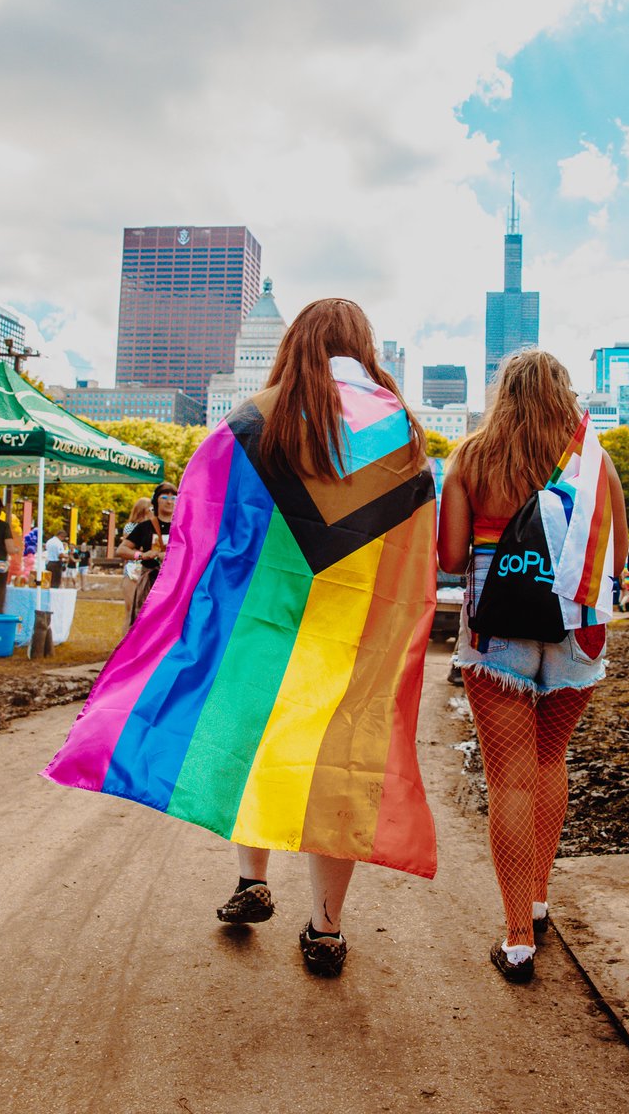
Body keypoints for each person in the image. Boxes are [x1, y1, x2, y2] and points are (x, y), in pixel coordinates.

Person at [45, 298, 438, 978]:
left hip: (263, 627)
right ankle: (326, 928)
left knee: (249, 741)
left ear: (294, 344)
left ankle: (251, 882)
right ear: (362, 346)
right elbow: (416, 550)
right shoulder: (404, 435)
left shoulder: (257, 419)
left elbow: (202, 525)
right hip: (345, 638)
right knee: (334, 767)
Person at [438, 349, 628, 982]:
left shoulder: (470, 456)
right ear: (564, 393)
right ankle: (541, 897)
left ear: (503, 394)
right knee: (551, 763)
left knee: (510, 781)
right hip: (575, 625)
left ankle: (518, 936)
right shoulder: (594, 461)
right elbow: (618, 561)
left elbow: (451, 553)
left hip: (497, 632)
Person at [116, 483, 178, 623]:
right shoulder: (144, 527)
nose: (169, 501)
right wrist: (141, 555)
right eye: (164, 497)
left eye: (174, 498)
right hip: (149, 584)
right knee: (143, 622)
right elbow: (122, 549)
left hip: (174, 583)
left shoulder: (183, 527)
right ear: (156, 500)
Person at [119, 497, 153, 629]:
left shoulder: (152, 526)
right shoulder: (131, 527)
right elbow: (128, 548)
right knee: (131, 611)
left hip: (147, 570)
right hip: (133, 569)